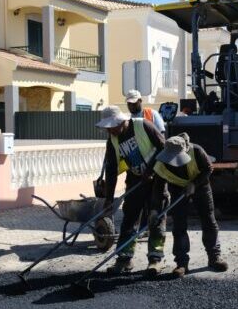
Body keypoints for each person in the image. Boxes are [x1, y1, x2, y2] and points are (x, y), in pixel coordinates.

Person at [96, 105, 166, 276]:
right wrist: (109, 198)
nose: (110, 131)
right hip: (136, 179)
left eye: (112, 127)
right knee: (129, 219)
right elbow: (111, 169)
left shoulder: (143, 125)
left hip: (157, 178)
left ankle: (155, 259)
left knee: (155, 217)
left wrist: (150, 169)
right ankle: (124, 259)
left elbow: (164, 148)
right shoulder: (112, 139)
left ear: (121, 121)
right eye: (107, 128)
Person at [152, 134, 228, 278]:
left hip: (200, 186)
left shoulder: (197, 151)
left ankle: (214, 257)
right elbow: (158, 188)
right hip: (177, 188)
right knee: (179, 225)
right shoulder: (161, 163)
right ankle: (181, 263)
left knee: (209, 220)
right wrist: (155, 209)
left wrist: (194, 184)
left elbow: (208, 168)